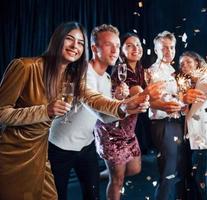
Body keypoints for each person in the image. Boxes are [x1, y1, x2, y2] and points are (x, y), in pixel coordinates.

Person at [0, 21, 158, 200]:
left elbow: (96, 104)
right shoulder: (28, 67)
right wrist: (45, 111)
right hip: (40, 149)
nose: (75, 46)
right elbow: (2, 113)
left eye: (79, 42)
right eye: (69, 39)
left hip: (73, 147)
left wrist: (125, 105)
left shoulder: (87, 77)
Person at [47, 24, 127, 200]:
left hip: (86, 146)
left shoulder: (107, 79)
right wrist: (129, 104)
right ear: (93, 48)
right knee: (57, 196)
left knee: (93, 195)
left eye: (118, 45)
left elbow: (108, 118)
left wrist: (120, 102)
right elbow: (102, 114)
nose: (115, 50)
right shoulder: (80, 73)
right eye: (108, 44)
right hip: (60, 147)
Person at [145, 31, 207, 200]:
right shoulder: (153, 71)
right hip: (163, 124)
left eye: (171, 47)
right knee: (168, 173)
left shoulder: (173, 70)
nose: (168, 51)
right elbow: (157, 101)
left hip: (177, 124)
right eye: (164, 48)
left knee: (179, 171)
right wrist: (182, 99)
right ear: (156, 50)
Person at [94, 32, 147, 200]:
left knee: (135, 169)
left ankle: (106, 172)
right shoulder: (120, 70)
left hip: (128, 131)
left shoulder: (140, 70)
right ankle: (111, 175)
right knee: (118, 180)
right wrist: (140, 94)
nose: (135, 48)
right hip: (112, 130)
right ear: (122, 51)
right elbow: (135, 94)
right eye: (129, 45)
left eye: (137, 44)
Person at [178, 51, 207, 199]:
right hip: (188, 136)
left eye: (188, 62)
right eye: (182, 64)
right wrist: (183, 107)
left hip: (203, 136)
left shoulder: (206, 80)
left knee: (201, 178)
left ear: (197, 63)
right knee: (190, 177)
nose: (185, 66)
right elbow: (185, 112)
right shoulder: (184, 84)